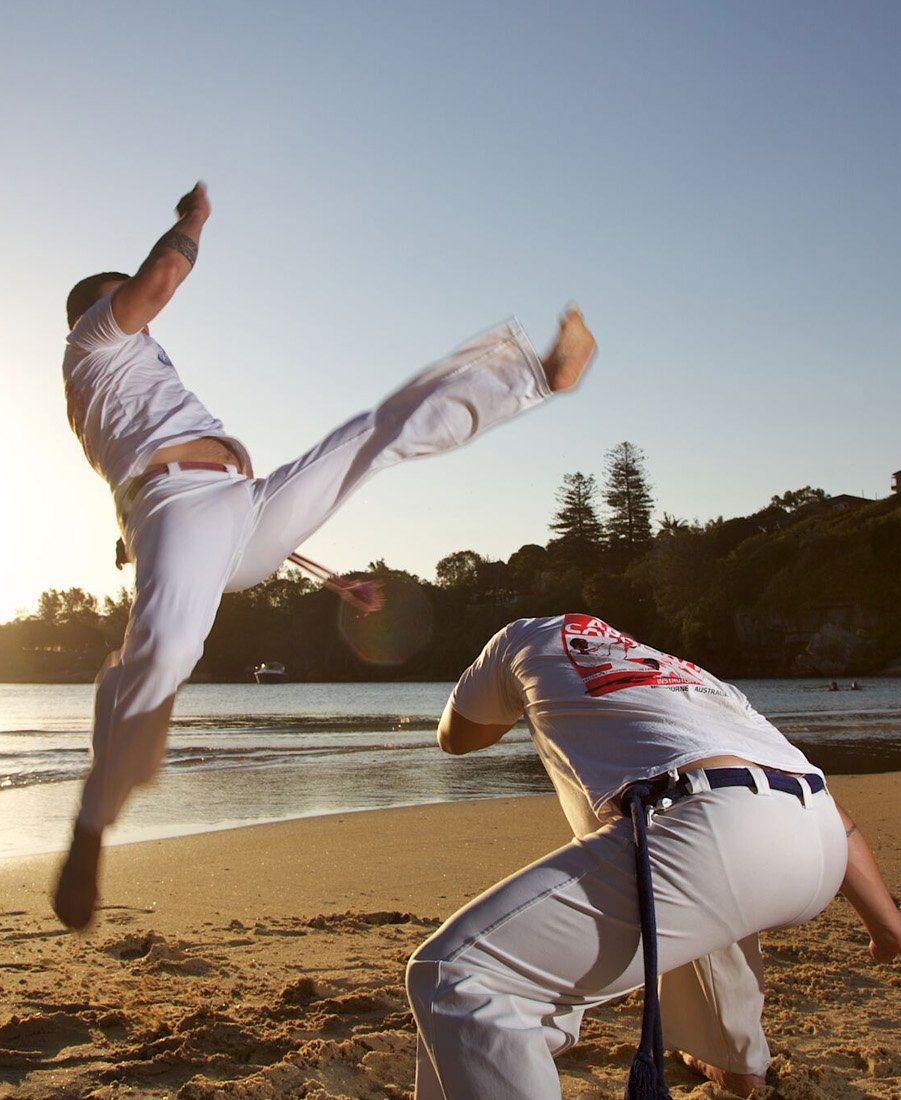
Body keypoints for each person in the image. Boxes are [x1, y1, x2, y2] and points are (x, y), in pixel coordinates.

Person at [53, 182, 596, 929]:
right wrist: (194, 219)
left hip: (236, 510)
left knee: (369, 436)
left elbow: (225, 519)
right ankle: (91, 828)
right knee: (161, 656)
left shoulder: (134, 374)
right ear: (92, 312)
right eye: (125, 308)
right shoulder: (93, 343)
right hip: (175, 511)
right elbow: (158, 280)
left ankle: (533, 373)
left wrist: (328, 577)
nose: (147, 323)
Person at [406, 613, 901, 1099]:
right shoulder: (694, 679)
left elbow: (455, 739)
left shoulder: (520, 638)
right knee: (683, 869)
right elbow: (834, 819)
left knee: (459, 976)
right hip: (816, 839)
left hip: (711, 828)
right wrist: (890, 928)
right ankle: (735, 1064)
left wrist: (522, 700)